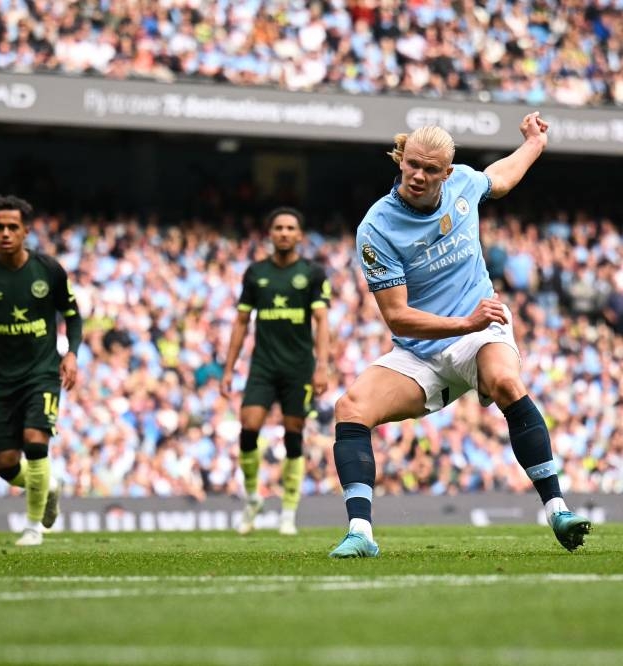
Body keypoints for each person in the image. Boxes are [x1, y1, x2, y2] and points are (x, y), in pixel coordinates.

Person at [329, 113, 591, 558]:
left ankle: (557, 509)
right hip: (424, 348)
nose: (418, 175)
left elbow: (500, 179)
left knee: (506, 383)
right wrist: (463, 323)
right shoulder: (377, 228)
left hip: (480, 331)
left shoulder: (464, 186)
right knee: (350, 408)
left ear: (446, 174)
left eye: (431, 169)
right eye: (412, 164)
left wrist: (534, 144)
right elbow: (399, 318)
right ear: (401, 158)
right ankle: (361, 533)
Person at [0, 194, 82, 546]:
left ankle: (32, 527)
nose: (5, 233)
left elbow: (73, 316)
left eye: (13, 227)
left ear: (26, 230)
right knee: (5, 464)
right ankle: (49, 484)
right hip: (3, 382)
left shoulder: (49, 271)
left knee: (35, 440)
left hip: (43, 374)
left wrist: (72, 354)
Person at [222, 207, 331, 536]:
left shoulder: (312, 274)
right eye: (279, 228)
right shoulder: (255, 273)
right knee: (248, 426)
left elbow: (322, 321)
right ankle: (253, 496)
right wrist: (228, 368)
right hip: (263, 366)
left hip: (298, 368)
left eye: (290, 228)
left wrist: (322, 366)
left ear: (299, 235)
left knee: (293, 434)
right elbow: (241, 322)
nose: (284, 233)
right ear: (270, 234)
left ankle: (288, 510)